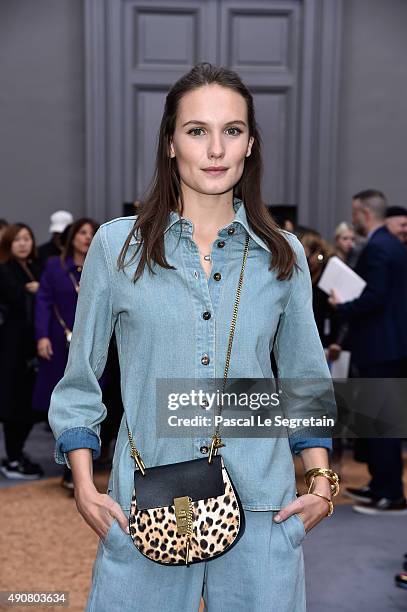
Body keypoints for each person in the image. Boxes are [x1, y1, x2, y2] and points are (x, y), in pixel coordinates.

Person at [48, 63, 337, 612]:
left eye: (231, 130)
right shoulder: (117, 248)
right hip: (147, 507)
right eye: (196, 130)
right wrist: (86, 486)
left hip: (261, 509)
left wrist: (321, 481)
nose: (215, 149)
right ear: (169, 143)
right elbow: (81, 378)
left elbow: (305, 379)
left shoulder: (283, 254)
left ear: (250, 144)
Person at [329, 189, 407, 514]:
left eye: (355, 213)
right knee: (381, 422)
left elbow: (373, 298)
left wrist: (342, 305)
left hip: (381, 348)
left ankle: (389, 492)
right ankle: (379, 486)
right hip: (389, 347)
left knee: (382, 423)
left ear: (363, 213)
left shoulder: (377, 247)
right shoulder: (392, 245)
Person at [32, 218, 99, 490]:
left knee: (94, 401)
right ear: (72, 237)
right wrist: (42, 336)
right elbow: (43, 302)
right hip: (61, 343)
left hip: (95, 344)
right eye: (82, 233)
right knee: (65, 403)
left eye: (92, 233)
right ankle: (70, 466)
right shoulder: (55, 267)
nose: (87, 237)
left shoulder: (102, 266)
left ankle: (81, 471)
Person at [0, 224, 45, 479]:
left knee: (27, 402)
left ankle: (16, 453)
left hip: (31, 343)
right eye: (17, 239)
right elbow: (15, 298)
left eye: (27, 238)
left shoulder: (36, 267)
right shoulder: (4, 268)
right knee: (12, 402)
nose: (22, 243)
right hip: (11, 345)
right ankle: (13, 457)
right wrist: (32, 290)